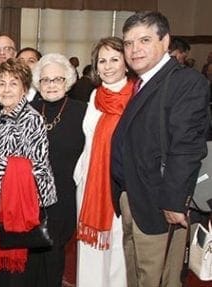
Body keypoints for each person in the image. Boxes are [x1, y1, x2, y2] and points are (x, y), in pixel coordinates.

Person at [111, 11, 210, 287]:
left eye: (144, 40)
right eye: (128, 43)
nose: (134, 49)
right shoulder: (143, 82)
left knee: (158, 279)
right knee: (138, 276)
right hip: (133, 197)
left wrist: (174, 201)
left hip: (160, 204)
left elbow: (187, 147)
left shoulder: (185, 82)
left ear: (165, 41)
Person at [0, 58, 56, 287]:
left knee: (16, 277)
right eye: (2, 83)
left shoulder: (32, 119)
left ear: (24, 88)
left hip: (20, 206)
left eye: (13, 83)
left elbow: (38, 166)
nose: (6, 89)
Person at [74, 37, 133, 287]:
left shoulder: (137, 95)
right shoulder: (95, 96)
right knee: (89, 248)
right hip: (90, 182)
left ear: (126, 63)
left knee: (118, 248)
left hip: (122, 184)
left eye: (114, 59)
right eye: (102, 61)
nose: (108, 66)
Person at [29, 53, 86, 287]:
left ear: (68, 81)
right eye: (45, 80)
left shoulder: (83, 112)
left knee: (54, 254)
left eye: (57, 79)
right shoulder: (29, 110)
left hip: (64, 196)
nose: (51, 84)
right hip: (31, 196)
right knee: (30, 256)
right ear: (38, 83)